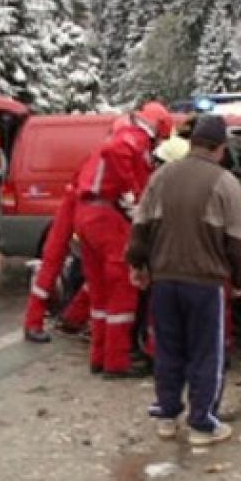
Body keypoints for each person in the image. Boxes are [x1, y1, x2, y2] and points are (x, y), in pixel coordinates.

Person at [126, 114, 241, 447]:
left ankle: (167, 415)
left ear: (193, 142)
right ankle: (202, 424)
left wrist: (137, 264)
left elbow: (140, 225)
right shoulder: (225, 182)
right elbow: (239, 241)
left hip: (164, 280)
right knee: (206, 353)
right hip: (205, 283)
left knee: (168, 349)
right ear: (221, 148)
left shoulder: (162, 175)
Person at [75, 102, 172, 378]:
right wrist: (134, 193)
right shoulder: (134, 137)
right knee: (123, 286)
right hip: (105, 215)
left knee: (100, 294)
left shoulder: (122, 134)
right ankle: (116, 363)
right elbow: (116, 152)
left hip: (88, 214)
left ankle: (100, 357)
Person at [21, 179, 90, 343]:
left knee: (52, 266)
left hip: (82, 205)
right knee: (52, 266)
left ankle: (71, 318)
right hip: (85, 207)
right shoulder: (127, 155)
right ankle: (67, 319)